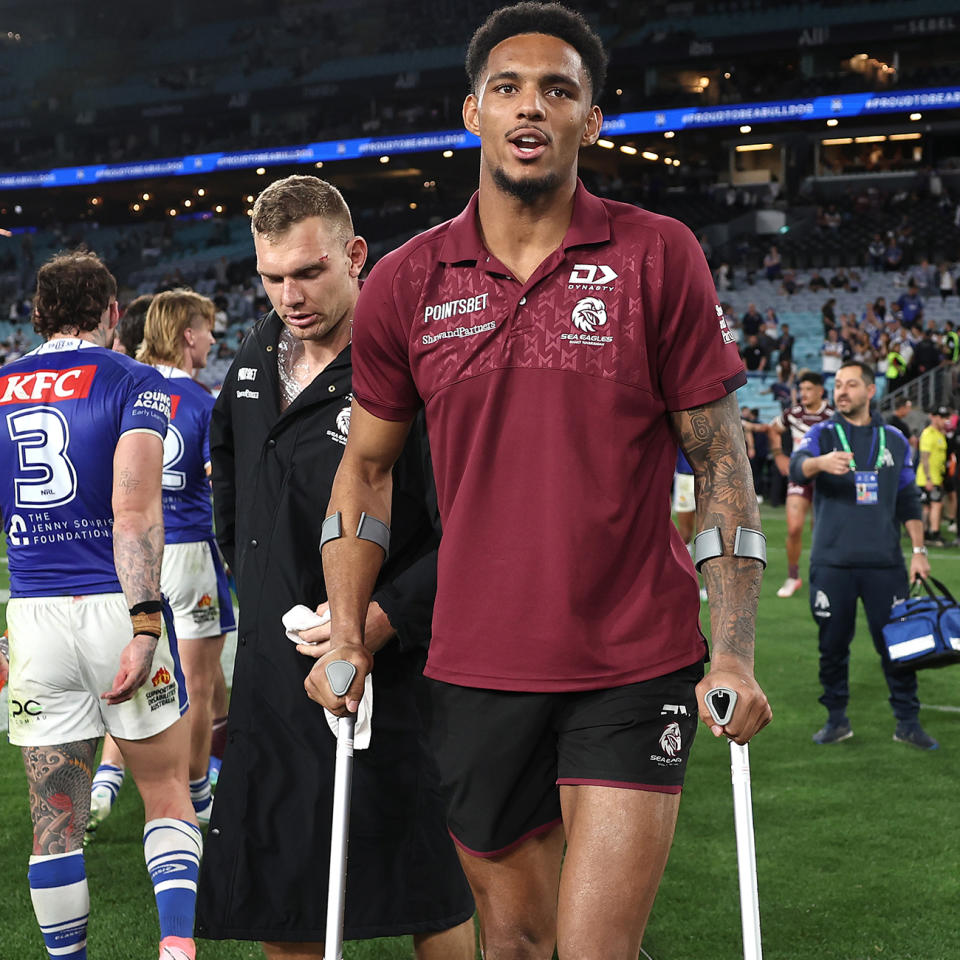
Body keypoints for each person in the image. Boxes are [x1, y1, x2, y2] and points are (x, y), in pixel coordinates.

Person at [310, 6, 771, 958]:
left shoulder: (657, 255)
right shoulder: (406, 281)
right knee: (514, 944)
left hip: (632, 661)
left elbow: (722, 460)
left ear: (590, 121)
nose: (532, 108)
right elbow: (367, 467)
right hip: (474, 668)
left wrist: (730, 652)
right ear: (472, 111)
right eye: (510, 88)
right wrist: (348, 633)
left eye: (558, 90)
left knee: (593, 949)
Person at [195, 175, 475, 958]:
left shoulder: (413, 364)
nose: (291, 294)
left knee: (430, 881)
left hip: (397, 670)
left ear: (355, 257)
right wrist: (263, 587)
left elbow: (466, 529)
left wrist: (382, 619)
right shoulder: (253, 357)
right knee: (282, 896)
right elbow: (232, 483)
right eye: (273, 277)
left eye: (310, 272)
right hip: (276, 676)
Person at [0, 251, 200, 960]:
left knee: (54, 821)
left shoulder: (0, 386)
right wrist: (147, 621)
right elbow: (134, 510)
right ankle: (175, 943)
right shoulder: (135, 381)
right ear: (114, 313)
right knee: (168, 792)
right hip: (117, 608)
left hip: (32, 616)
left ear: (36, 314)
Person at [86, 290, 236, 838]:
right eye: (208, 328)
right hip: (190, 548)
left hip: (131, 552)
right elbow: (219, 480)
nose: (215, 340)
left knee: (132, 666)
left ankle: (107, 776)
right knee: (194, 678)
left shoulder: (125, 386)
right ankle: (198, 796)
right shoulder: (199, 400)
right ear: (188, 335)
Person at [789, 362, 938, 750]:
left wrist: (919, 552)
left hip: (885, 564)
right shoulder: (822, 434)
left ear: (870, 391)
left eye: (850, 384)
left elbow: (908, 499)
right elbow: (796, 467)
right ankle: (836, 719)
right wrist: (819, 463)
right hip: (832, 563)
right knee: (832, 647)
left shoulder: (895, 439)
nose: (841, 391)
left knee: (898, 645)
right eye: (837, 385)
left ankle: (907, 721)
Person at [769, 372, 834, 597]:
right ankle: (793, 576)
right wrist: (779, 455)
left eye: (808, 389)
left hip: (825, 475)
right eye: (801, 389)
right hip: (799, 473)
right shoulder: (793, 414)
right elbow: (774, 429)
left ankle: (822, 575)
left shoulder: (833, 415)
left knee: (821, 530)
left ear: (820, 391)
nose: (803, 394)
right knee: (794, 527)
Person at [916, 405, 950, 545]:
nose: (944, 420)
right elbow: (924, 457)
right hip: (928, 477)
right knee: (936, 505)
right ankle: (934, 534)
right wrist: (928, 478)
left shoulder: (939, 433)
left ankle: (925, 534)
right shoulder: (928, 434)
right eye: (941, 417)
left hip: (936, 476)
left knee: (928, 506)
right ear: (933, 417)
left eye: (945, 417)